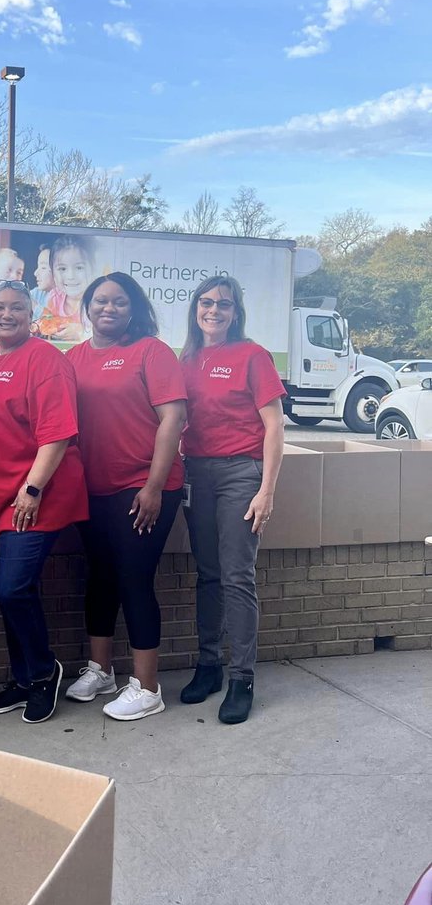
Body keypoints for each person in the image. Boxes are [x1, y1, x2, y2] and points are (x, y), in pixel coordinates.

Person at [0, 279, 88, 725]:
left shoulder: (46, 360)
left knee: (12, 587)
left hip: (32, 496)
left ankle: (44, 671)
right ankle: (22, 679)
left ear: (31, 315)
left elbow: (59, 432)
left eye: (16, 308)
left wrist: (32, 490)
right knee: (9, 592)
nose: (6, 315)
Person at [66, 274, 187, 720]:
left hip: (144, 487)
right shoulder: (74, 357)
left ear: (133, 309)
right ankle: (101, 670)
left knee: (134, 578)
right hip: (93, 487)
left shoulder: (151, 352)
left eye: (119, 302)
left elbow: (173, 419)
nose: (108, 309)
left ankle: (148, 687)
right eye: (100, 301)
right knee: (99, 577)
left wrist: (153, 486)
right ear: (88, 307)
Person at [179, 275, 286, 724]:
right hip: (195, 473)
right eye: (206, 303)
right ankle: (209, 667)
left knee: (237, 577)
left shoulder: (252, 356)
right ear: (195, 308)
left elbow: (275, 426)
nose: (214, 311)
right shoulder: (185, 358)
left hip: (241, 474)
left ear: (235, 311)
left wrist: (267, 491)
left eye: (223, 304)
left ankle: (242, 678)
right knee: (207, 575)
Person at [38, 236, 93, 342]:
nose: (70, 276)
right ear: (53, 273)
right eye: (62, 268)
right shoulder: (54, 298)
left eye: (79, 267)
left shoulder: (96, 301)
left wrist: (82, 333)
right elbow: (44, 322)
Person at [29, 244, 54, 322]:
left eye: (43, 267)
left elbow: (52, 321)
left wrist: (34, 306)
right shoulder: (37, 293)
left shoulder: (69, 299)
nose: (35, 273)